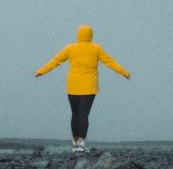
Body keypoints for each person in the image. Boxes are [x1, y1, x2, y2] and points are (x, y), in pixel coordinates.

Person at [34, 24, 131, 152]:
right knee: (84, 114)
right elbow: (110, 62)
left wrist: (41, 71)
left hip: (73, 86)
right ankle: (81, 144)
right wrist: (124, 72)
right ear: (91, 35)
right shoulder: (96, 48)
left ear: (78, 35)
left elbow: (55, 61)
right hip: (89, 87)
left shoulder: (70, 48)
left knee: (75, 114)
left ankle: (74, 144)